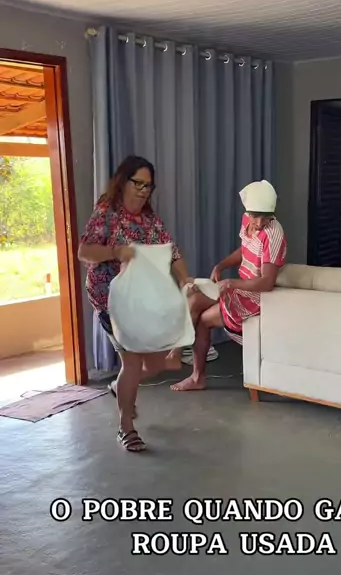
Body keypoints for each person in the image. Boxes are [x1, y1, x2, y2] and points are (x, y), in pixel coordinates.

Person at [78, 155, 194, 452]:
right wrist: (116, 252)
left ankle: (120, 388)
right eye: (138, 183)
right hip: (111, 300)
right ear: (122, 181)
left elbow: (172, 252)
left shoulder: (150, 219)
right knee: (131, 361)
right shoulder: (107, 212)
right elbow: (84, 251)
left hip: (143, 300)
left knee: (156, 363)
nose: (143, 191)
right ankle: (126, 427)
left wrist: (185, 280)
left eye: (148, 186)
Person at [171, 179, 286, 392]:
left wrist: (231, 283)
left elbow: (267, 282)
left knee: (202, 320)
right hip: (239, 289)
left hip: (254, 298)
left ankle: (194, 373)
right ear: (247, 211)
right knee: (193, 299)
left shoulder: (273, 234)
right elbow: (245, 249)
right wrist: (221, 265)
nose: (260, 222)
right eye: (255, 216)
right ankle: (178, 352)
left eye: (265, 217)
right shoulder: (247, 221)